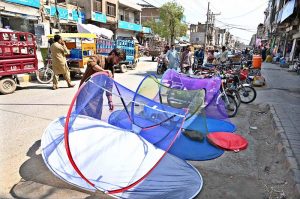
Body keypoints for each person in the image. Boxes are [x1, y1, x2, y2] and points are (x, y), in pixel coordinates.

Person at [79, 48, 126, 113]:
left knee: (96, 116)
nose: (117, 63)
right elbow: (91, 63)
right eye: (118, 60)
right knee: (83, 115)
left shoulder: (111, 69)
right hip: (85, 92)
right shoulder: (98, 57)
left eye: (119, 61)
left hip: (97, 96)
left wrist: (110, 101)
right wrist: (103, 71)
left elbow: (109, 85)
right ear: (113, 54)